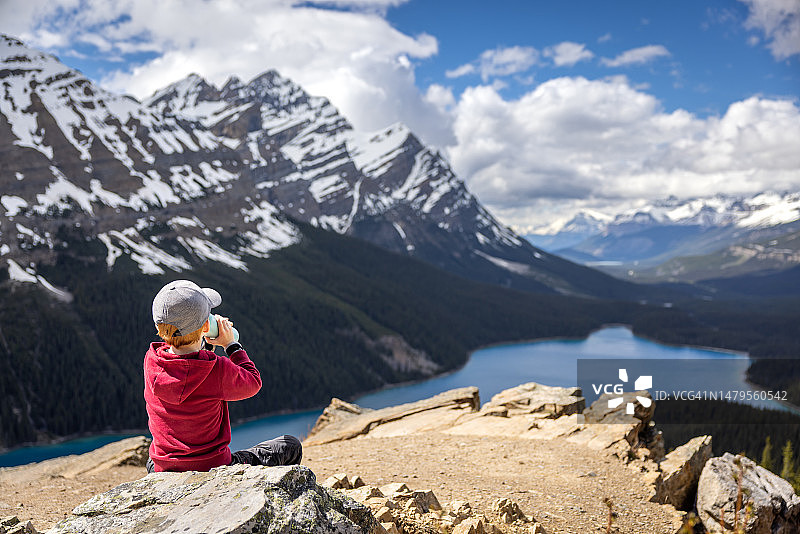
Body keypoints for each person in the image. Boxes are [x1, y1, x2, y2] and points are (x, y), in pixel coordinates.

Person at [144, 279, 302, 472]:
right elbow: (253, 382)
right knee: (290, 446)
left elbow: (186, 364)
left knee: (151, 458)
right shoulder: (216, 368)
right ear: (204, 326)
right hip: (212, 467)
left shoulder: (152, 360)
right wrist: (231, 346)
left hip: (163, 467)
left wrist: (204, 344)